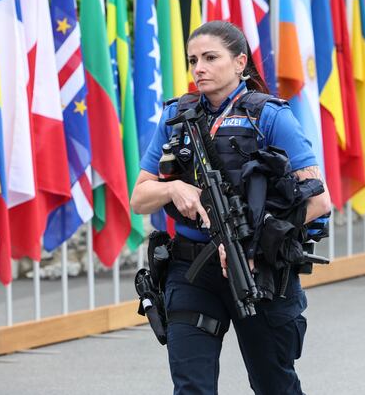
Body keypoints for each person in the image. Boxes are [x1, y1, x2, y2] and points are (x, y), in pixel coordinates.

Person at [131, 20, 332, 395]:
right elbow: (139, 196)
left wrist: (256, 245)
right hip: (191, 271)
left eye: (210, 57)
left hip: (257, 271)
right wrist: (173, 187)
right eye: (193, 60)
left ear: (240, 62)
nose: (199, 68)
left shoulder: (269, 115)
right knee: (192, 387)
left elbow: (319, 200)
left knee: (275, 385)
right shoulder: (176, 118)